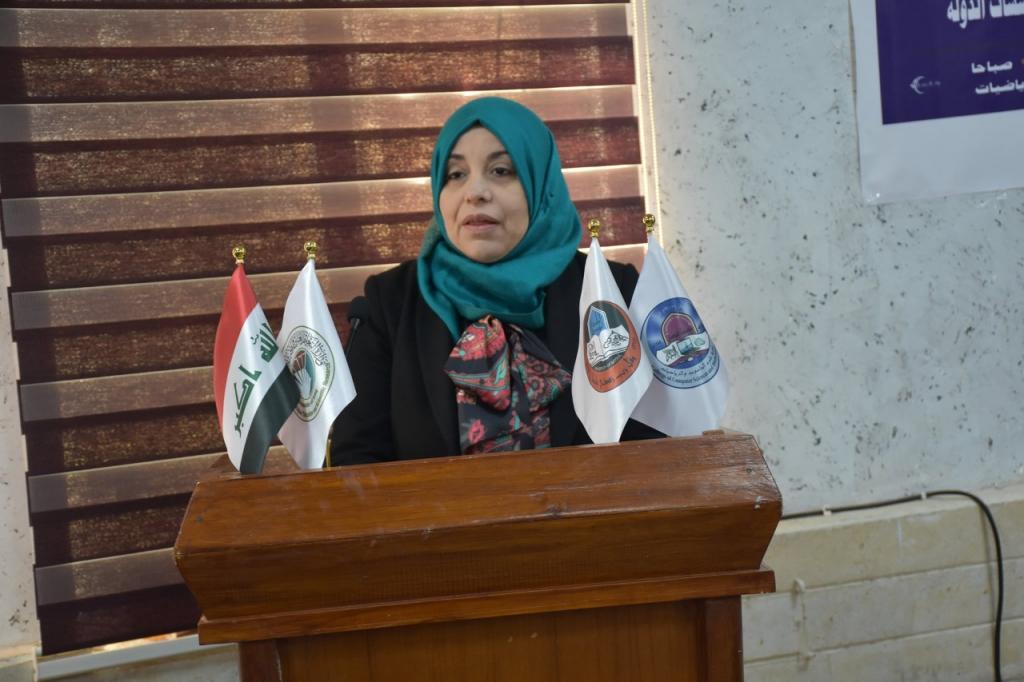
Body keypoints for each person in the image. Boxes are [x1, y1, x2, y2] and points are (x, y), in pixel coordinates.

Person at [330, 97, 661, 465]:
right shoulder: (388, 304)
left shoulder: (614, 291)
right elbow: (357, 462)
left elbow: (659, 447)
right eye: (456, 174)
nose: (475, 192)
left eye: (501, 170)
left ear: (542, 183)